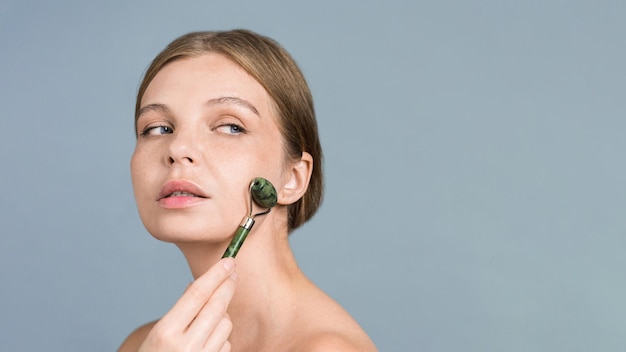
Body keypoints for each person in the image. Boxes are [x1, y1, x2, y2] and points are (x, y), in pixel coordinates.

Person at [118, 29, 377, 351]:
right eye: (157, 128)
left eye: (230, 126)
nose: (178, 147)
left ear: (293, 178)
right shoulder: (147, 344)